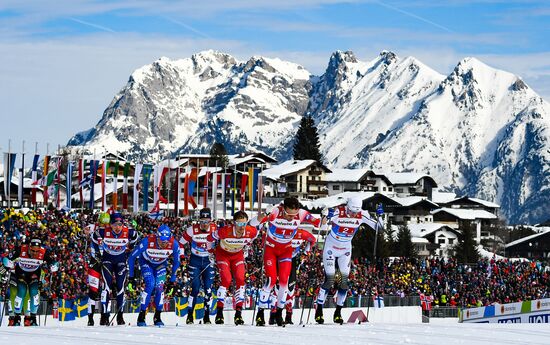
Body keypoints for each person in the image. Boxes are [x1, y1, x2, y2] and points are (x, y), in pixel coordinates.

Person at [250, 197, 324, 326]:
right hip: (271, 250)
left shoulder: (301, 213)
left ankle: (279, 313)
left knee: (284, 282)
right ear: (283, 209)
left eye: (294, 215)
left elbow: (318, 223)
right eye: (289, 214)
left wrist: (324, 217)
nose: (291, 217)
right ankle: (260, 313)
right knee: (271, 280)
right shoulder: (275, 212)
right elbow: (252, 224)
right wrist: (263, 215)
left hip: (286, 250)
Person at [315, 197, 383, 324]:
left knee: (344, 282)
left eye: (355, 212)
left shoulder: (362, 214)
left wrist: (380, 216)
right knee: (329, 279)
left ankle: (338, 312)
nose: (353, 215)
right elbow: (321, 226)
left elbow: (379, 228)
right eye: (351, 211)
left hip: (345, 249)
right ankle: (319, 309)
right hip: (330, 247)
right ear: (347, 207)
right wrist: (326, 216)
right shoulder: (338, 211)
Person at [207, 211, 258, 325]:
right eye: (239, 224)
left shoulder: (250, 230)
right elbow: (209, 238)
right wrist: (210, 252)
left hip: (237, 255)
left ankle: (238, 314)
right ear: (234, 223)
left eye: (244, 224)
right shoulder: (225, 231)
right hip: (223, 255)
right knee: (226, 279)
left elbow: (254, 235)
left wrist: (247, 247)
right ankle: (219, 313)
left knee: (240, 279)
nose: (242, 227)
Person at [128, 224, 180, 327]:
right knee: (150, 284)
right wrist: (131, 277)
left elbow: (176, 262)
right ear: (157, 237)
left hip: (160, 265)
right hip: (146, 263)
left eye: (166, 241)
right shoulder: (147, 241)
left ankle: (157, 316)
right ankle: (141, 315)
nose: (164, 244)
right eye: (161, 241)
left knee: (159, 287)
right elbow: (131, 257)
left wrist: (172, 280)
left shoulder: (174, 244)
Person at [91, 212, 138, 325]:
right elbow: (93, 237)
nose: (118, 227)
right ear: (110, 225)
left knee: (120, 287)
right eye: (115, 224)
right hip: (107, 260)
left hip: (121, 261)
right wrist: (97, 253)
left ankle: (120, 316)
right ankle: (104, 316)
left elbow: (135, 237)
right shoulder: (103, 231)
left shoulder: (128, 232)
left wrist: (130, 248)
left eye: (120, 224)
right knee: (107, 287)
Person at [179, 208, 217, 325]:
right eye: (202, 221)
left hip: (208, 261)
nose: (204, 224)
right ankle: (190, 315)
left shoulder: (215, 229)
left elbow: (222, 243)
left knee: (208, 289)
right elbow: (181, 243)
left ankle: (207, 316)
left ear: (211, 221)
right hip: (195, 261)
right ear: (198, 220)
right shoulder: (192, 229)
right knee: (195, 288)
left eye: (206, 222)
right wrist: (182, 258)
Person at [8, 238, 57, 326]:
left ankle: (33, 318)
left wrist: (54, 266)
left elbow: (53, 262)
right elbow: (8, 258)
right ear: (29, 247)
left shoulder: (43, 252)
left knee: (34, 295)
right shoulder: (21, 249)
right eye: (32, 250)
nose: (34, 253)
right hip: (21, 273)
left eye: (36, 251)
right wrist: (8, 263)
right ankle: (16, 318)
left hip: (34, 274)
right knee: (21, 293)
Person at [86, 212, 109, 326]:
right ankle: (90, 319)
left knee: (106, 289)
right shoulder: (93, 228)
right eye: (102, 223)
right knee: (93, 291)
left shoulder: (111, 231)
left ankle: (104, 316)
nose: (103, 226)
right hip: (95, 262)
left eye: (106, 224)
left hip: (106, 263)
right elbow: (83, 231)